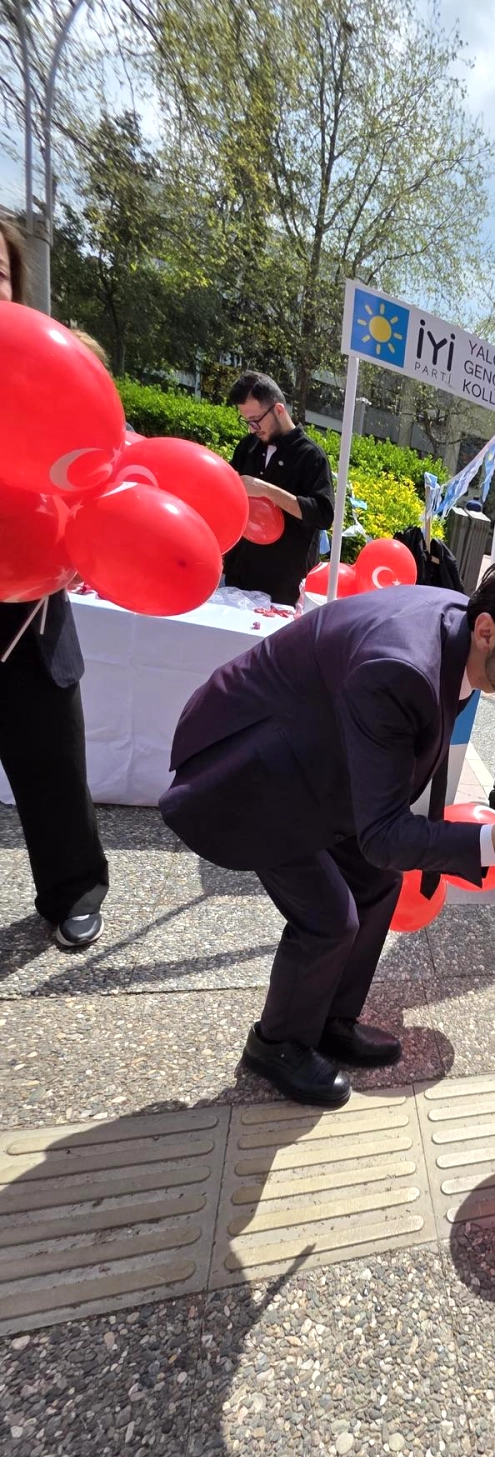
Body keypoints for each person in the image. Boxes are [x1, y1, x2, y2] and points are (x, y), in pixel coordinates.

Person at [160, 554, 495, 1109]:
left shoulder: (468, 631)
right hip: (252, 775)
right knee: (330, 918)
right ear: (486, 631)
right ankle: (276, 1043)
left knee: (379, 882)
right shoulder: (401, 666)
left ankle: (330, 1020)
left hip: (321, 756)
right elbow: (382, 832)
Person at [0, 217, 109, 949]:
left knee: (53, 763)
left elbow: (94, 471)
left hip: (35, 616)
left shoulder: (46, 366)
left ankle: (73, 888)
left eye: (1, 275)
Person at [223, 372, 334, 605]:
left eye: (256, 420)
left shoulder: (311, 456)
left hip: (283, 586)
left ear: (279, 410)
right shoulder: (248, 446)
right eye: (246, 421)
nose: (252, 428)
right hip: (238, 576)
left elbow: (323, 515)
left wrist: (267, 490)